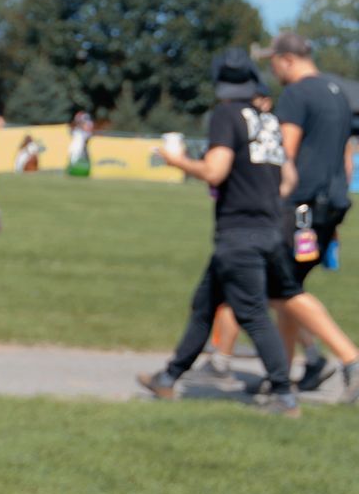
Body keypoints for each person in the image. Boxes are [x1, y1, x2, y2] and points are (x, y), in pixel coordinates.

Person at [138, 51, 298, 412]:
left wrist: (175, 160)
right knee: (204, 305)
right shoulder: (268, 120)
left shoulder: (225, 115)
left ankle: (285, 396)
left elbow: (215, 171)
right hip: (268, 229)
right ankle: (169, 378)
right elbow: (289, 180)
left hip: (238, 233)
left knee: (254, 315)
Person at [266, 31, 359, 398]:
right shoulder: (338, 94)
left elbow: (284, 154)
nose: (272, 70)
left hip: (299, 206)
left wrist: (271, 198)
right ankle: (282, 376)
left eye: (272, 61)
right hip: (331, 205)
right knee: (289, 288)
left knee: (279, 288)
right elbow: (347, 158)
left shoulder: (296, 94)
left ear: (286, 59)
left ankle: (350, 357)